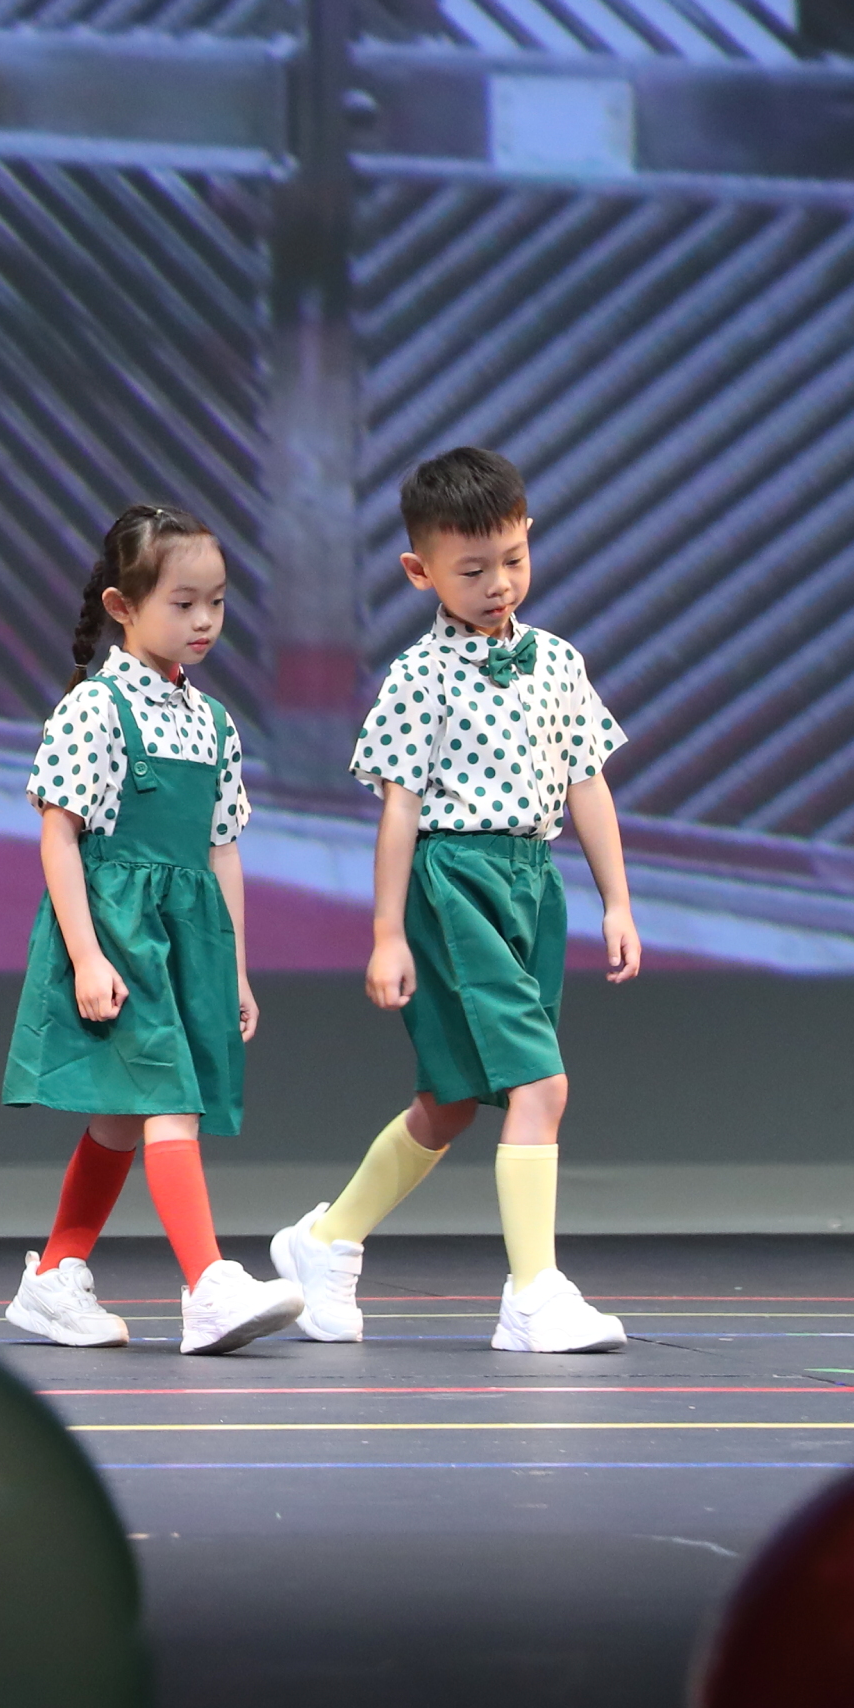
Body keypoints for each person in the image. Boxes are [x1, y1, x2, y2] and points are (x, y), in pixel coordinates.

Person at [269, 445, 642, 1354]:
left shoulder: (558, 663)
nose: (498, 583)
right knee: (541, 1085)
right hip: (455, 886)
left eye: (513, 558)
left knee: (452, 1100)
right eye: (472, 570)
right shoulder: (419, 676)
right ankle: (533, 1294)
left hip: (531, 883)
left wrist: (617, 901)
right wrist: (387, 933)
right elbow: (399, 811)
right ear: (420, 571)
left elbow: (586, 782)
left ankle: (326, 1240)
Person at [0, 505, 307, 1355]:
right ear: (123, 605)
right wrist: (87, 956)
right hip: (119, 936)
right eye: (183, 602)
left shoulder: (214, 722)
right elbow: (58, 836)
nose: (204, 620)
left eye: (217, 601)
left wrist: (234, 968)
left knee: (120, 1119)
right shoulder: (94, 709)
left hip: (184, 943)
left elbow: (221, 849)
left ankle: (54, 1275)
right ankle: (208, 1283)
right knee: (170, 1101)